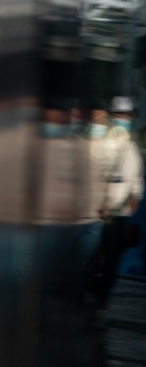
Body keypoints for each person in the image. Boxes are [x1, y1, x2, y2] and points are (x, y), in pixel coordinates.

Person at [88, 96, 144, 309]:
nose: (123, 119)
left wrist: (135, 195)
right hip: (100, 209)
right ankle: (92, 294)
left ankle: (101, 300)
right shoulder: (103, 142)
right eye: (120, 115)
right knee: (95, 253)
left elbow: (135, 175)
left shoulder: (131, 145)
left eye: (127, 116)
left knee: (113, 256)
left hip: (120, 212)